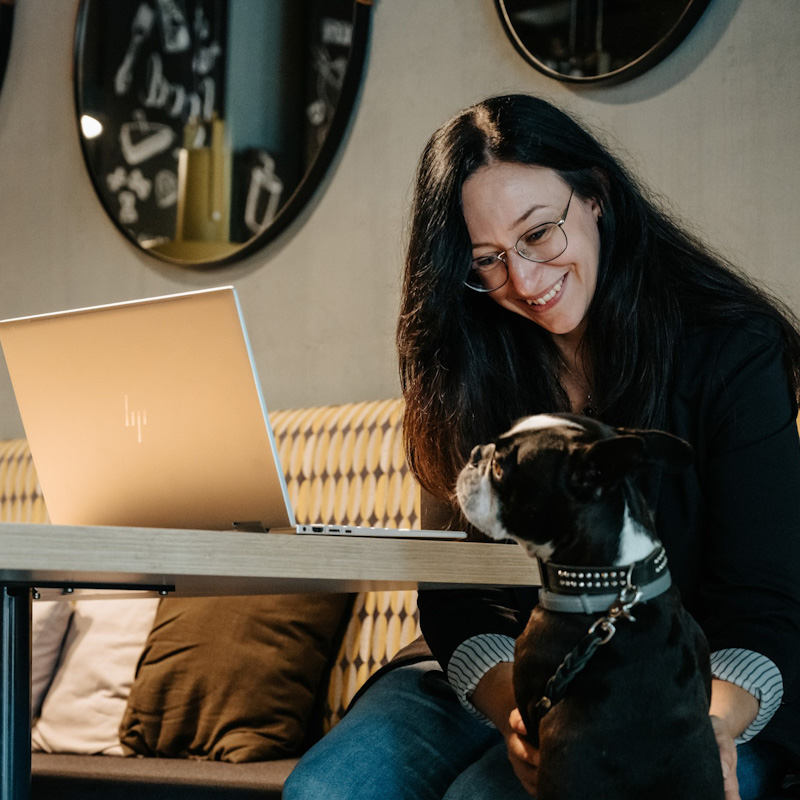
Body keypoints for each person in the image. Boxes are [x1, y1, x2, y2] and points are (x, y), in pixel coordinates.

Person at [283, 94, 800, 800]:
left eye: (538, 235)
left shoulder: (730, 349)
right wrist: (511, 710)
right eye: (487, 260)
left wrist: (699, 727)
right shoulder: (462, 363)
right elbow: (454, 594)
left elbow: (769, 602)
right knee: (327, 793)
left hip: (684, 681)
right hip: (503, 668)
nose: (522, 283)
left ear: (595, 198)